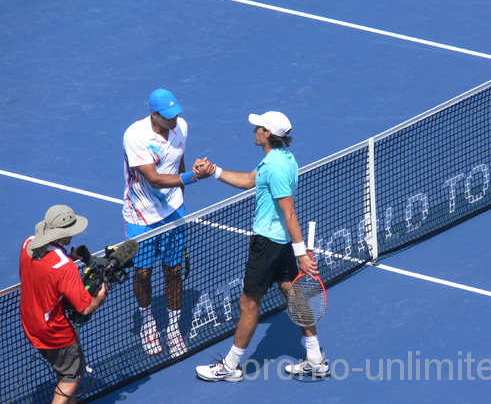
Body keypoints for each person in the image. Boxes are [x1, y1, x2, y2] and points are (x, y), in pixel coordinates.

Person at [194, 111, 330, 382]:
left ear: (268, 133)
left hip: (268, 244)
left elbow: (289, 212)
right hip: (279, 243)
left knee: (248, 303)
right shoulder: (281, 158)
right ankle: (315, 359)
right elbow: (248, 180)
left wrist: (301, 254)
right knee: (292, 293)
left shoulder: (276, 167)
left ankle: (230, 366)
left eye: (259, 127)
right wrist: (214, 171)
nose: (254, 129)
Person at [123, 88, 215, 358]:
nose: (174, 120)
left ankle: (173, 328)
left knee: (173, 271)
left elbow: (178, 162)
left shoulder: (181, 126)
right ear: (154, 115)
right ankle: (148, 324)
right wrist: (196, 178)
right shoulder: (136, 136)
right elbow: (155, 179)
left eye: (176, 114)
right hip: (141, 214)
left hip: (174, 211)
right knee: (143, 274)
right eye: (168, 116)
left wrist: (189, 177)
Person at [19, 205, 107, 404]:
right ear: (63, 234)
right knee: (72, 375)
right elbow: (85, 307)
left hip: (30, 321)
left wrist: (70, 257)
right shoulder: (64, 267)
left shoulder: (28, 244)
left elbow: (45, 271)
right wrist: (100, 297)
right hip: (54, 330)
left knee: (63, 369)